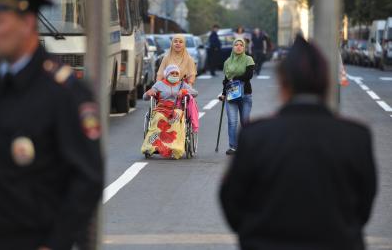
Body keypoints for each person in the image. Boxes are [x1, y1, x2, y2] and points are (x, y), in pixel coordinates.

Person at [0, 0, 103, 249]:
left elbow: (86, 180)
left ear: (27, 23)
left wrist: (55, 243)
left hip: (29, 239)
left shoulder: (63, 91)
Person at [220, 35, 377, 250]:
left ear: (283, 85)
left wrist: (256, 232)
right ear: (327, 84)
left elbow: (232, 201)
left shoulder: (255, 135)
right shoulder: (356, 136)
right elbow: (364, 206)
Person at [142, 64, 198, 159]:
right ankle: (153, 145)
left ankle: (174, 147)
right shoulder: (159, 84)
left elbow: (195, 93)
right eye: (172, 73)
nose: (175, 75)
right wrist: (148, 93)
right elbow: (145, 97)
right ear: (167, 74)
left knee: (176, 119)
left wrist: (184, 91)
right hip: (162, 108)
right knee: (158, 118)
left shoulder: (182, 84)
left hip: (177, 108)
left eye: (177, 73)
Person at [219, 38, 255, 156]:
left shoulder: (248, 59)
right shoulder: (227, 62)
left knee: (245, 121)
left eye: (241, 45)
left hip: (245, 94)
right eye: (236, 45)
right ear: (233, 47)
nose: (239, 47)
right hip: (231, 94)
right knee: (232, 122)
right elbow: (225, 80)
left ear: (244, 48)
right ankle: (233, 147)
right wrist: (223, 94)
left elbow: (248, 75)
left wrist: (235, 78)